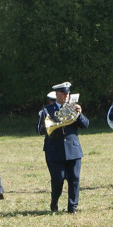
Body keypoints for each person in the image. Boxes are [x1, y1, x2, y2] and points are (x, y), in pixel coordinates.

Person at [37, 82, 89, 213]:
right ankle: (54, 202)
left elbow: (85, 125)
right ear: (57, 94)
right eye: (63, 93)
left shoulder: (73, 107)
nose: (66, 96)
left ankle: (73, 207)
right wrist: (53, 123)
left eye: (68, 94)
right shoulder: (47, 110)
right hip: (55, 149)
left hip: (73, 148)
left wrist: (80, 114)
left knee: (74, 179)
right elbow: (39, 129)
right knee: (58, 179)